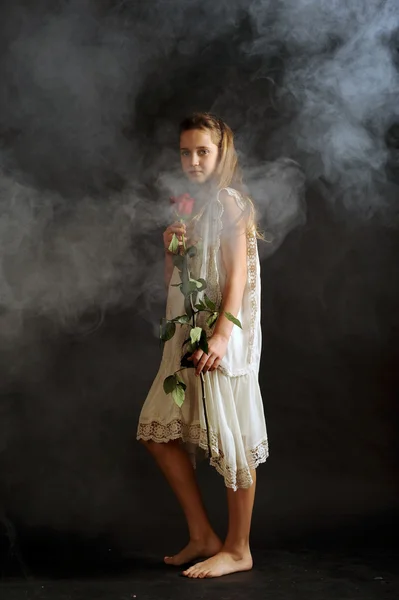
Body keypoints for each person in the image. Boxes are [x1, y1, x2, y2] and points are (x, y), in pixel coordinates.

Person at [137, 112, 268, 579]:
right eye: (185, 152)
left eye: (202, 152)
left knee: (233, 439)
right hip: (186, 333)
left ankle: (238, 548)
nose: (192, 160)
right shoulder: (190, 207)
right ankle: (202, 535)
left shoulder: (230, 202)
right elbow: (176, 282)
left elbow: (237, 278)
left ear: (221, 153)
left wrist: (220, 335)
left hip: (221, 334)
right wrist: (171, 251)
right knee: (160, 432)